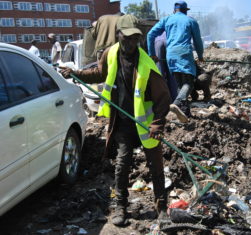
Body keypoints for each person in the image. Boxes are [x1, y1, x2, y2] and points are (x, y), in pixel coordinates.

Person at [60, 15, 171, 226]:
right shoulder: (110, 54)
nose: (131, 43)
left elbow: (163, 96)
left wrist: (158, 123)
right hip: (122, 123)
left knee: (156, 166)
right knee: (122, 165)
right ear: (118, 35)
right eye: (127, 37)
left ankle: (162, 206)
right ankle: (120, 207)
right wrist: (76, 74)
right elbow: (99, 73)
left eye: (135, 38)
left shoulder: (146, 63)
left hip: (146, 124)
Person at [147, 1, 204, 123]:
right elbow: (198, 41)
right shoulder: (190, 21)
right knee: (189, 83)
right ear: (185, 10)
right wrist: (200, 55)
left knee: (179, 85)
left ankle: (185, 115)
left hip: (171, 55)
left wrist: (152, 53)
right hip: (184, 53)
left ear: (174, 10)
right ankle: (177, 103)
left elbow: (150, 34)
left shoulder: (166, 19)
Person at [155, 31, 178, 101]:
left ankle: (163, 99)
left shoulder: (160, 26)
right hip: (170, 43)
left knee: (160, 74)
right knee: (172, 74)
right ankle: (174, 100)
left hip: (157, 42)